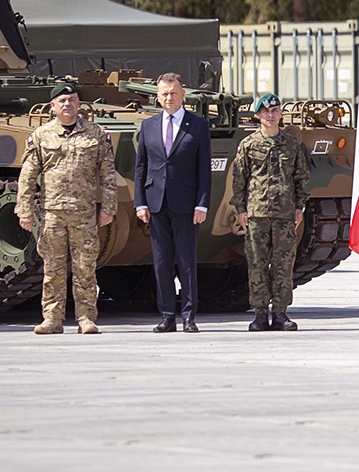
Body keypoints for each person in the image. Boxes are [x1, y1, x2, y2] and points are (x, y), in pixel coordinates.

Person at [16, 83, 117, 335]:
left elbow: (107, 175)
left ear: (79, 104)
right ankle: (52, 318)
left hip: (84, 213)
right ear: (52, 107)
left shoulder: (95, 134)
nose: (67, 104)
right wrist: (24, 209)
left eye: (72, 100)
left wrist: (108, 208)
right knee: (53, 268)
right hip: (53, 214)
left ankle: (86, 318)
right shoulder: (40, 136)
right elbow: (28, 176)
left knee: (85, 267)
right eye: (62, 101)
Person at [134, 72, 212, 333]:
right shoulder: (148, 126)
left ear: (183, 95)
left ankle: (189, 316)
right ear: (158, 97)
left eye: (174, 93)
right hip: (156, 204)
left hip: (187, 205)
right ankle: (167, 315)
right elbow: (141, 167)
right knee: (162, 262)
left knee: (187, 262)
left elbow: (204, 169)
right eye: (164, 94)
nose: (169, 98)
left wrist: (202, 204)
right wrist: (140, 203)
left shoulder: (198, 125)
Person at [228, 93, 309, 332]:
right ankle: (260, 314)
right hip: (256, 214)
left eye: (274, 111)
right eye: (265, 112)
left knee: (283, 264)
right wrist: (241, 210)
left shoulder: (292, 145)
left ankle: (281, 313)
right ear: (258, 115)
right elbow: (239, 179)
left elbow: (301, 177)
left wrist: (300, 206)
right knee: (257, 264)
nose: (270, 115)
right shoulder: (249, 145)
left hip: (285, 214)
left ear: (280, 114)